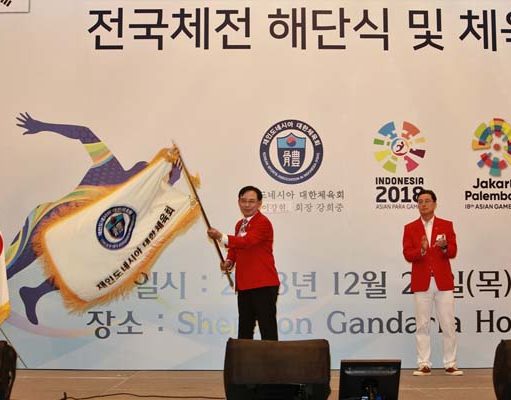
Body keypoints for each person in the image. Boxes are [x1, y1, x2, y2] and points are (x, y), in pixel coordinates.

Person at [402, 189, 463, 376]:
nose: (423, 204)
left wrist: (445, 247)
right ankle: (423, 363)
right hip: (422, 282)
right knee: (422, 324)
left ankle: (450, 363)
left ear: (435, 204)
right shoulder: (410, 228)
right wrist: (421, 250)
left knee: (448, 323)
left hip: (443, 281)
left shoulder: (446, 225)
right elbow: (407, 254)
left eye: (427, 201)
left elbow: (453, 251)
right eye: (420, 202)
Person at [207, 186, 280, 340]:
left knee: (267, 329)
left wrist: (221, 236)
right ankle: (244, 357)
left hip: (263, 284)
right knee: (245, 330)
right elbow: (235, 248)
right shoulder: (240, 224)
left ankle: (272, 357)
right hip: (245, 284)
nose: (247, 205)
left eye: (251, 201)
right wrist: (229, 261)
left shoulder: (263, 222)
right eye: (243, 201)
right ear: (238, 202)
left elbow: (247, 241)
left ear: (259, 203)